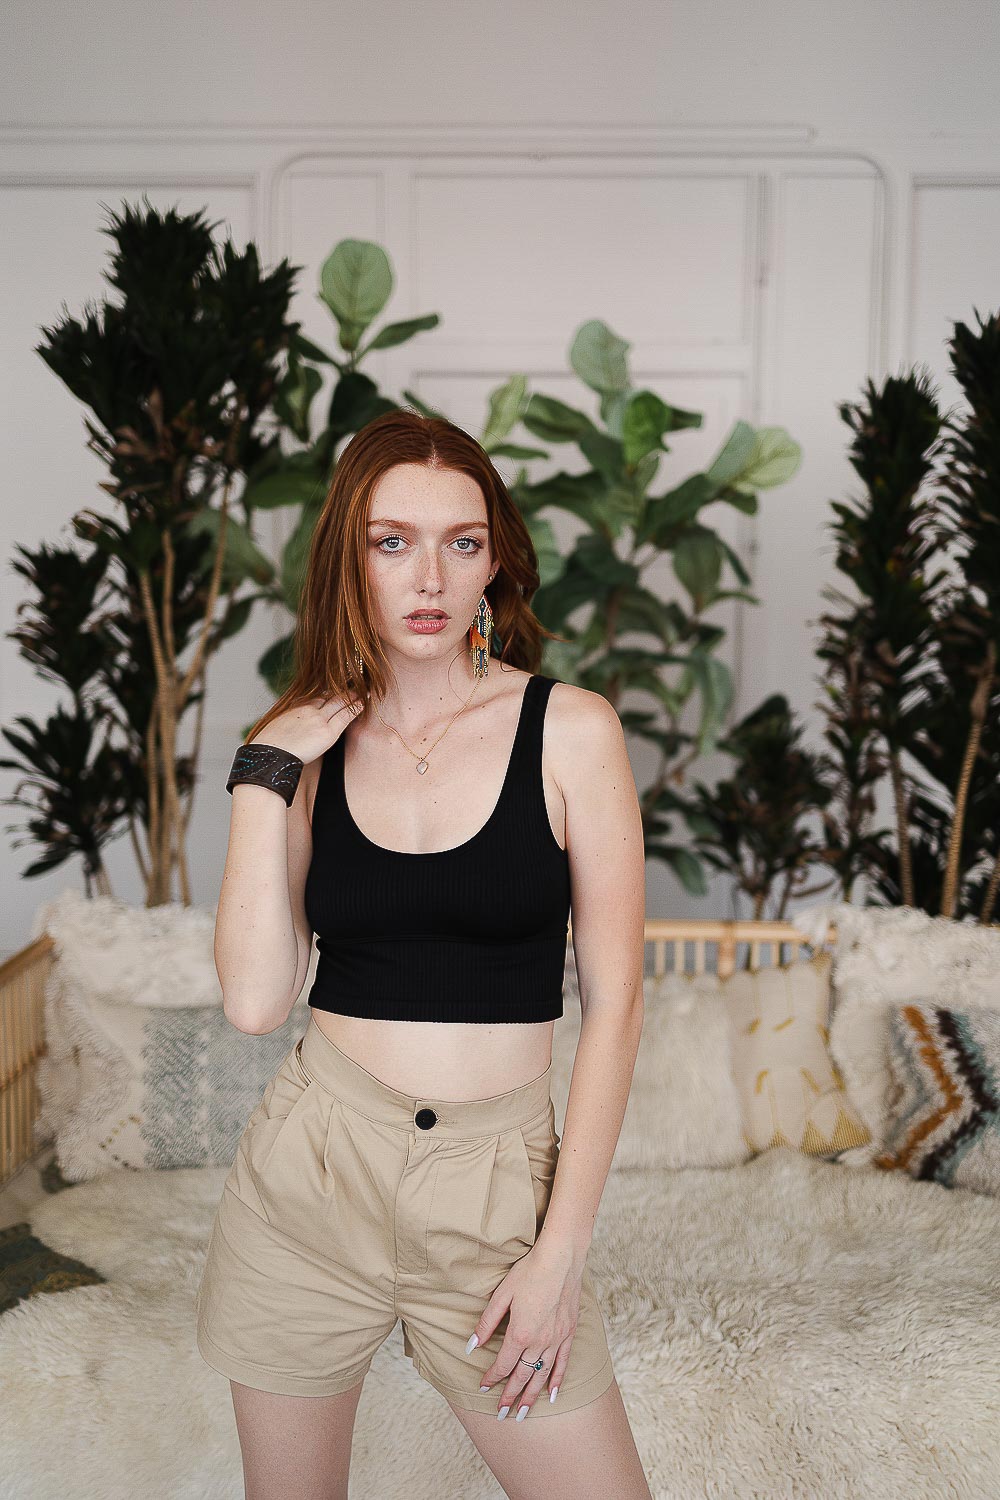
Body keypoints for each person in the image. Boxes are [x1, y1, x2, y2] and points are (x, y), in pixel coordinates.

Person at [196, 408, 652, 1500]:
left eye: (462, 541)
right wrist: (263, 772)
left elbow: (618, 1003)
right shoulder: (300, 744)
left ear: (495, 561)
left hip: (494, 1194)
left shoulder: (571, 729)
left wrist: (559, 1252)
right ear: (347, 561)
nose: (430, 578)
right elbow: (256, 1000)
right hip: (308, 1184)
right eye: (391, 542)